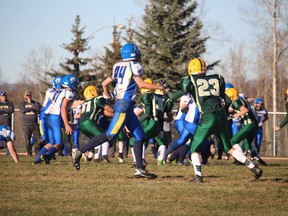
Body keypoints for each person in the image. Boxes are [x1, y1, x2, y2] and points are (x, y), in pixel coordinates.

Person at [72, 43, 164, 179]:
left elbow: (104, 83)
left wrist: (108, 95)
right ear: (134, 54)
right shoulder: (134, 66)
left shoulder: (117, 66)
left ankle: (139, 169)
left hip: (126, 106)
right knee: (110, 135)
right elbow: (141, 84)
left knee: (140, 136)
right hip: (124, 106)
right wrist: (159, 87)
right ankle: (80, 151)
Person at [165, 58, 263, 183]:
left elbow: (173, 96)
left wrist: (167, 89)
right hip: (221, 117)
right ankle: (253, 167)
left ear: (191, 69)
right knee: (228, 148)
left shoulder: (190, 80)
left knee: (194, 149)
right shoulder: (217, 78)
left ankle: (198, 176)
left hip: (207, 118)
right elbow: (227, 101)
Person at [33, 74, 79, 164]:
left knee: (51, 142)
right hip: (55, 117)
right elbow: (63, 109)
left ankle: (37, 160)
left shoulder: (57, 91)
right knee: (59, 144)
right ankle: (47, 156)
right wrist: (66, 124)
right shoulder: (69, 93)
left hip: (47, 116)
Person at [79, 85, 113, 163]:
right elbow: (109, 110)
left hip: (81, 124)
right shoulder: (97, 99)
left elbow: (105, 113)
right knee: (104, 136)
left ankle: (91, 156)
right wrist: (116, 111)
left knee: (96, 139)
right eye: (95, 90)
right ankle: (102, 156)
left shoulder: (86, 102)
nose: (97, 92)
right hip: (89, 122)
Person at [19, 90, 42, 156]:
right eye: (27, 95)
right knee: (27, 139)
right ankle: (29, 153)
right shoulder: (22, 103)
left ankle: (37, 152)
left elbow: (38, 109)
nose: (28, 97)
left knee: (38, 139)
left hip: (34, 123)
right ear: (24, 96)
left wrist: (31, 104)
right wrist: (32, 109)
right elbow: (23, 110)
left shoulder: (34, 102)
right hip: (26, 124)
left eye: (29, 95)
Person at [0, 91, 15, 156]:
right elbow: (8, 110)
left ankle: (8, 152)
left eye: (5, 95)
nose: (4, 97)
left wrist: (2, 111)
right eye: (2, 96)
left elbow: (11, 110)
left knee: (8, 138)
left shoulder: (9, 103)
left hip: (7, 124)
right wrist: (6, 110)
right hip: (0, 123)